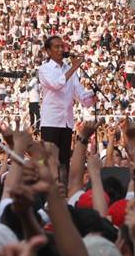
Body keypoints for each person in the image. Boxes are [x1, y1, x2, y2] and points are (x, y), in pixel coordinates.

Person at [38, 36, 96, 168]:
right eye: (56, 47)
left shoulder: (70, 70)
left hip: (67, 122)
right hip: (51, 121)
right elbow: (56, 84)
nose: (60, 49)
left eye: (62, 46)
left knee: (64, 162)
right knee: (49, 163)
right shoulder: (44, 69)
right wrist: (73, 68)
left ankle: (64, 187)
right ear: (48, 51)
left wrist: (92, 98)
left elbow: (81, 96)